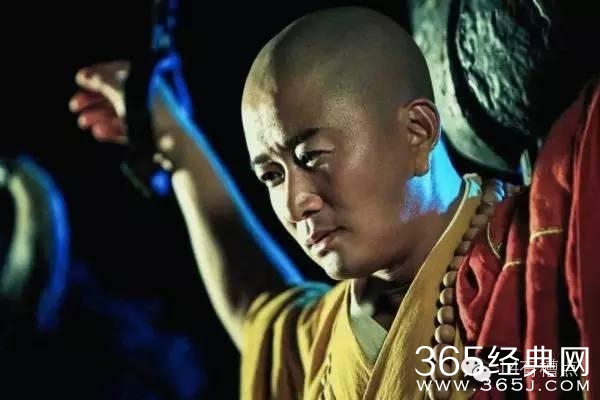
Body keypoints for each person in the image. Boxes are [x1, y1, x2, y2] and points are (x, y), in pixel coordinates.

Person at [68, 6, 599, 399]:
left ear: (417, 131)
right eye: (272, 175)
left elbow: (566, 366)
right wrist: (174, 141)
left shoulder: (541, 259)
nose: (295, 202)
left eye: (312, 156)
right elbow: (258, 308)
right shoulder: (326, 341)